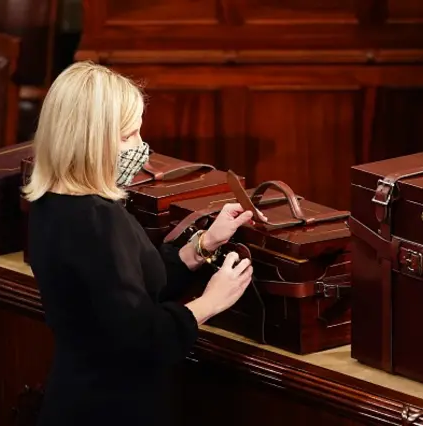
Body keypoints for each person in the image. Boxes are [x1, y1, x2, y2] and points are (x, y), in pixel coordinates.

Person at [23, 61, 259, 425]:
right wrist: (211, 302)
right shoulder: (98, 220)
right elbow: (141, 336)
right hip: (111, 408)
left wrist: (202, 246)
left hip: (75, 395)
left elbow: (123, 287)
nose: (142, 147)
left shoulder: (51, 202)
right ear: (90, 140)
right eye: (129, 135)